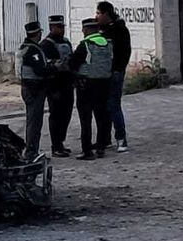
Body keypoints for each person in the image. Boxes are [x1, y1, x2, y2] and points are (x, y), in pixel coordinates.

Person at [68, 18, 113, 160]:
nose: (82, 31)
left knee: (85, 119)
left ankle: (87, 151)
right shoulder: (107, 43)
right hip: (104, 84)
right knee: (101, 117)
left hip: (86, 85)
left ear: (87, 30)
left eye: (83, 29)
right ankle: (100, 147)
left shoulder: (85, 45)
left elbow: (72, 63)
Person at [96, 1, 131, 152]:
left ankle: (121, 139)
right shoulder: (102, 30)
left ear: (106, 14)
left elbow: (125, 52)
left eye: (98, 13)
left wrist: (118, 69)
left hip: (115, 73)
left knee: (113, 105)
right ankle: (105, 139)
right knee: (104, 106)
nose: (96, 16)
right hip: (104, 74)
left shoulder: (119, 30)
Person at [16, 20, 53, 161]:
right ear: (37, 33)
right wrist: (54, 68)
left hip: (28, 87)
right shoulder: (33, 50)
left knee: (34, 120)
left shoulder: (25, 47)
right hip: (34, 89)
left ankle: (32, 150)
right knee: (34, 121)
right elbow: (40, 70)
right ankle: (31, 152)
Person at [40, 14, 74, 157]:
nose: (61, 30)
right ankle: (56, 146)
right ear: (51, 27)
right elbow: (47, 68)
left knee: (66, 114)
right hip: (55, 85)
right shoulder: (46, 44)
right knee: (56, 115)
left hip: (68, 83)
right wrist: (52, 88)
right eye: (58, 27)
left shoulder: (66, 41)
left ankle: (61, 142)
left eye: (62, 27)